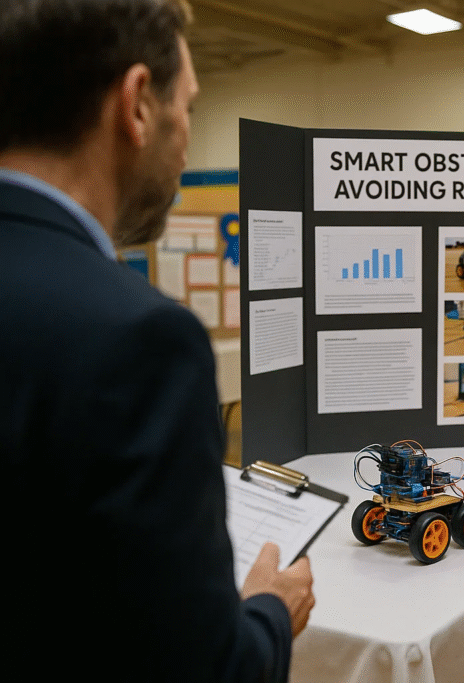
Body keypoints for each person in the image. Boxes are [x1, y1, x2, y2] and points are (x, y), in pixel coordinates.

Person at [0, 1, 314, 680]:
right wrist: (267, 610)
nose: (188, 140)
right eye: (191, 109)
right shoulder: (140, 341)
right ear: (138, 103)